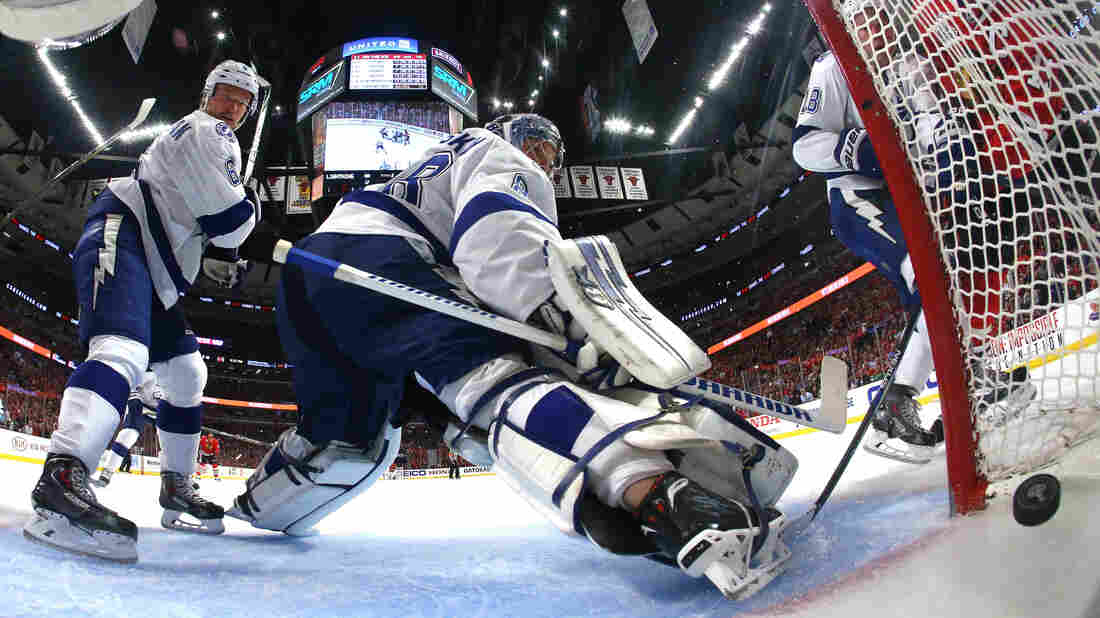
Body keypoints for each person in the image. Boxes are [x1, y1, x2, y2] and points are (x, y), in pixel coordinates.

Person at [227, 114, 795, 599]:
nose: (545, 160)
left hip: (311, 275)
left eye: (551, 150)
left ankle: (259, 503)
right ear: (513, 136)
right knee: (492, 383)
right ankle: (663, 497)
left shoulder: (437, 162)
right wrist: (561, 318)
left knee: (347, 440)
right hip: (381, 259)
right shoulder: (497, 152)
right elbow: (497, 234)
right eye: (540, 145)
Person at [24, 59, 263, 562]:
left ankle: (176, 486)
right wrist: (251, 205)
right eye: (227, 95)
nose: (235, 107)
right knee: (123, 351)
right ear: (207, 94)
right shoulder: (207, 129)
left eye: (243, 101)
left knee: (185, 372)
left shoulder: (213, 135)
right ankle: (63, 477)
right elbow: (231, 224)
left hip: (156, 267)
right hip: (125, 234)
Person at [792, 0, 1034, 463]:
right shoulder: (832, 67)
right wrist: (860, 149)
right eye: (865, 15)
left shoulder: (911, 60)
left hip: (914, 198)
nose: (876, 23)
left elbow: (931, 126)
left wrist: (952, 165)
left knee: (945, 286)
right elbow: (805, 145)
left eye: (880, 14)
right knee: (927, 275)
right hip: (862, 198)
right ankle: (910, 400)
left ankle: (942, 387)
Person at [91, 371, 159, 488]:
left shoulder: (178, 379)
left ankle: (179, 477)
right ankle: (106, 473)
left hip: (162, 411)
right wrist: (133, 398)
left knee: (171, 442)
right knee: (128, 435)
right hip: (141, 407)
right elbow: (131, 383)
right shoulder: (151, 375)